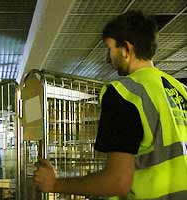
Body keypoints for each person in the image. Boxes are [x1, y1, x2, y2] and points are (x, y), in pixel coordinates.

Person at [33, 10, 187, 199]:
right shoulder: (180, 90)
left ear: (126, 49)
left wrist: (54, 183)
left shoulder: (124, 93)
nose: (107, 58)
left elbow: (117, 182)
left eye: (110, 48)